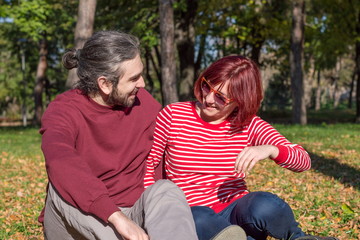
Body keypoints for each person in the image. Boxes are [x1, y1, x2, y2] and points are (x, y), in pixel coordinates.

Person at [144, 55, 339, 240]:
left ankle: (298, 238)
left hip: (237, 211)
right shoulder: (173, 115)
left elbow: (303, 161)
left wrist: (271, 149)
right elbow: (148, 164)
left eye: (221, 97)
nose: (209, 99)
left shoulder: (249, 124)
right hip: (192, 213)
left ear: (241, 99)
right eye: (206, 86)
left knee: (264, 204)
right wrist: (153, 210)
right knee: (197, 218)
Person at [39, 30, 199, 240]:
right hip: (80, 219)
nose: (142, 83)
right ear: (104, 83)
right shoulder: (64, 110)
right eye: (134, 78)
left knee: (166, 190)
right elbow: (60, 159)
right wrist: (115, 216)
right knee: (62, 186)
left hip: (133, 216)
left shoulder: (144, 104)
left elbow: (176, 144)